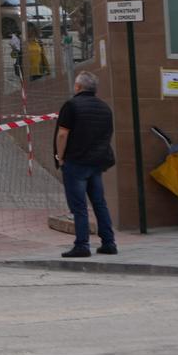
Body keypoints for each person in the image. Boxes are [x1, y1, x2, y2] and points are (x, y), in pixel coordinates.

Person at [55, 70, 119, 259]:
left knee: (79, 206)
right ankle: (109, 242)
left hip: (76, 162)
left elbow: (62, 134)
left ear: (78, 87)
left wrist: (60, 156)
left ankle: (82, 245)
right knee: (99, 203)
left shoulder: (72, 105)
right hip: (96, 163)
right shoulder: (105, 108)